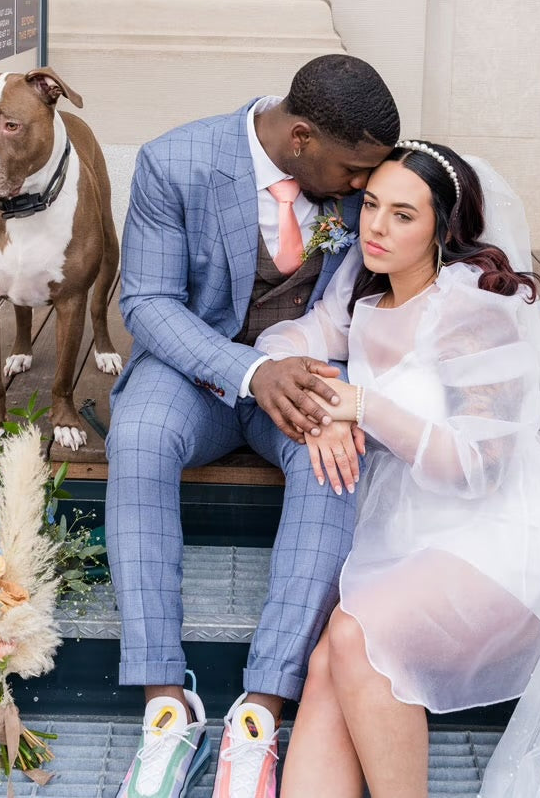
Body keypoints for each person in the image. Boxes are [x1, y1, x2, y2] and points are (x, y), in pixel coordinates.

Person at [106, 54, 401, 798]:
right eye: (354, 169)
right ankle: (165, 707)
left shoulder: (353, 180)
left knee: (337, 453)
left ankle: (259, 714)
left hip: (304, 372)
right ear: (301, 136)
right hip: (192, 377)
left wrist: (339, 396)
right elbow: (146, 303)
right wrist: (246, 372)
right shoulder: (174, 162)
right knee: (137, 435)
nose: (366, 187)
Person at [252, 141, 540, 798]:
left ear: (442, 228)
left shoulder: (476, 306)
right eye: (369, 207)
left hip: (496, 540)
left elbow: (478, 465)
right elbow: (288, 341)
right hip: (408, 536)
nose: (375, 228)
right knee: (328, 659)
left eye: (402, 215)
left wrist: (363, 405)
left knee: (356, 637)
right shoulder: (364, 293)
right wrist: (317, 395)